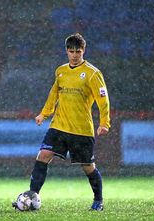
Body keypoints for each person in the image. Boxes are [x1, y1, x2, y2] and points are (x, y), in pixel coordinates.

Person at [24, 33, 110, 211]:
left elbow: (103, 99)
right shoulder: (61, 71)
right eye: (71, 51)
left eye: (78, 51)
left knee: (88, 167)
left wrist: (104, 123)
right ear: (66, 51)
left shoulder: (92, 74)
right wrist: (44, 114)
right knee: (43, 156)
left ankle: (98, 200)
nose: (74, 55)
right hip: (59, 126)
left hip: (81, 130)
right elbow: (53, 94)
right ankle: (31, 197)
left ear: (83, 50)